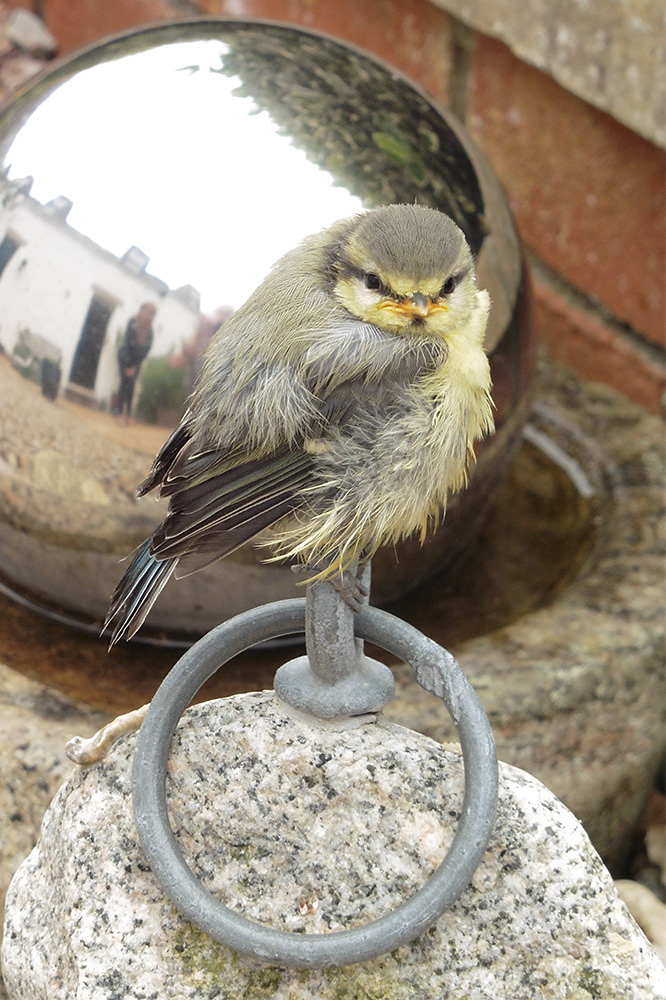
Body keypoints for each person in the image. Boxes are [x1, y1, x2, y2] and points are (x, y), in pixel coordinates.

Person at [114, 303, 156, 423]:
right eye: (146, 312)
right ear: (141, 311)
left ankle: (128, 415)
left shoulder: (150, 332)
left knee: (131, 385)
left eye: (151, 314)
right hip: (125, 357)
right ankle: (119, 413)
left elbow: (145, 352)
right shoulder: (132, 322)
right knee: (123, 382)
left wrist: (135, 366)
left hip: (136, 362)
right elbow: (127, 342)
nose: (148, 316)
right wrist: (128, 366)